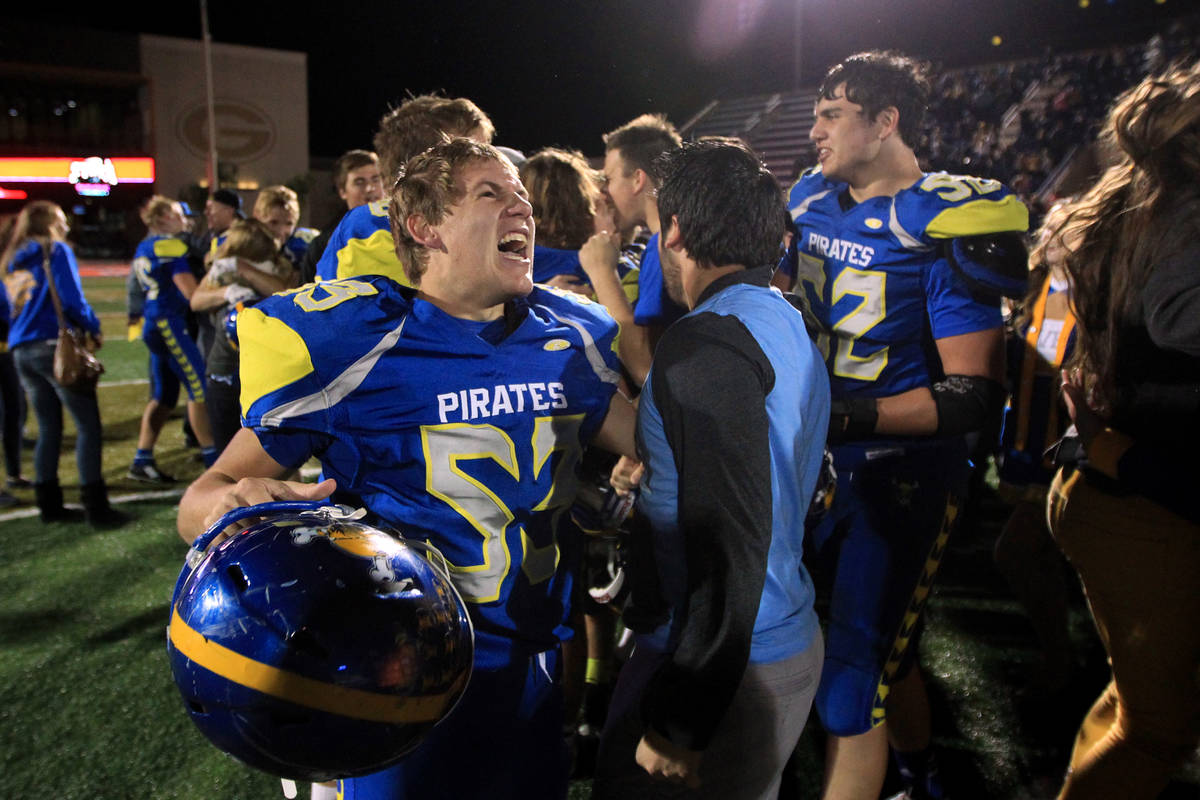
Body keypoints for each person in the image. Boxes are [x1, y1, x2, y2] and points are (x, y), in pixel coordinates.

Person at [177, 137, 637, 800]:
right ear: (426, 227)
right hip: (404, 682)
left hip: (534, 673)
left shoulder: (565, 335)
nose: (523, 210)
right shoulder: (359, 342)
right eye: (493, 194)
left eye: (521, 197)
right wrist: (231, 507)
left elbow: (649, 439)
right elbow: (199, 499)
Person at [785, 51, 1028, 800]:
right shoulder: (808, 199)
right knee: (883, 647)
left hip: (901, 469)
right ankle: (919, 770)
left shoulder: (943, 220)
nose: (815, 127)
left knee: (856, 666)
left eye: (833, 113)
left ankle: (910, 773)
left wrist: (850, 414)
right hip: (810, 460)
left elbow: (969, 395)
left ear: (885, 122)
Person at [592, 139, 828, 799]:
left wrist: (684, 715)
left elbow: (730, 540)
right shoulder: (778, 315)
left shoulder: (705, 343)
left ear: (673, 231)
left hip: (722, 654)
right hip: (766, 635)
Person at [1046, 61, 1200, 800]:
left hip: (1118, 483)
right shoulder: (1181, 224)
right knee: (1157, 732)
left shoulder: (1140, 207)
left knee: (1137, 707)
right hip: (1143, 499)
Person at [992, 201, 1077, 695]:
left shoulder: (1082, 289)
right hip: (1036, 444)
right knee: (1040, 556)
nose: (1051, 234)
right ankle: (1060, 657)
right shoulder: (1042, 287)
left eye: (1064, 227)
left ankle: (1064, 661)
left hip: (1063, 449)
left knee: (1019, 553)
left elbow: (1059, 361)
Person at [2, 201, 126, 526]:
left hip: (20, 349)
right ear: (51, 224)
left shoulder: (11, 258)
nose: (67, 225)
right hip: (52, 346)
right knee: (88, 426)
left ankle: (49, 504)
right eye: (62, 220)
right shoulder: (54, 250)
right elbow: (71, 298)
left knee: (47, 427)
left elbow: (5, 310)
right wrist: (93, 327)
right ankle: (96, 508)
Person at [313, 95, 495, 287]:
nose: (493, 165)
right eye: (473, 154)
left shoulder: (361, 224)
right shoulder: (374, 232)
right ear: (426, 167)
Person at [580, 114, 683, 386]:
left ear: (638, 179)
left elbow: (645, 368)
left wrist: (602, 272)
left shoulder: (665, 245)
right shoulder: (687, 231)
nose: (606, 192)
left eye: (609, 178)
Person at [128, 196, 218, 481]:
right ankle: (212, 459)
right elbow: (192, 294)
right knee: (199, 386)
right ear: (163, 217)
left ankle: (142, 458)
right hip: (169, 322)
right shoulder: (168, 246)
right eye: (177, 214)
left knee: (164, 395)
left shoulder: (146, 245)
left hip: (154, 321)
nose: (184, 219)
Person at [188, 219, 295, 454]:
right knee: (229, 451)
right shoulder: (222, 271)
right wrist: (225, 292)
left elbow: (284, 292)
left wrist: (246, 269)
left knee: (276, 454)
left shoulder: (277, 269)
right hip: (225, 371)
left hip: (267, 372)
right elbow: (196, 301)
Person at [296, 149, 384, 284]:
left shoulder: (407, 234)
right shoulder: (322, 245)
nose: (370, 188)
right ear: (342, 191)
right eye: (359, 182)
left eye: (375, 180)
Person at [252, 184, 319, 268]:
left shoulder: (302, 246)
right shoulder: (244, 243)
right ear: (257, 217)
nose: (281, 231)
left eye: (289, 223)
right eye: (273, 222)